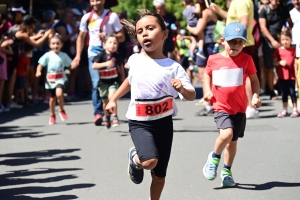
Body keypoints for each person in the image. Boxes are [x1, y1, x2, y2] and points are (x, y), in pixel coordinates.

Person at [105, 9, 196, 200]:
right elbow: (130, 81)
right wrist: (113, 99)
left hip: (164, 124)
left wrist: (181, 89)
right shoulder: (135, 60)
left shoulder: (173, 67)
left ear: (164, 34)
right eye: (140, 31)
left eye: (150, 28)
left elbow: (191, 95)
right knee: (150, 161)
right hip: (139, 122)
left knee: (160, 177)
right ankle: (135, 159)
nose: (144, 33)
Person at [202, 22, 261, 187]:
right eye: (231, 41)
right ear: (222, 41)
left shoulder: (247, 59)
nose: (236, 45)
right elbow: (207, 75)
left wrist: (255, 96)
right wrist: (207, 91)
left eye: (240, 42)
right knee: (226, 134)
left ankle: (227, 170)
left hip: (240, 108)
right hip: (221, 107)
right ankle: (214, 157)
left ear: (244, 43)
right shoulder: (214, 59)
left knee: (233, 142)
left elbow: (254, 80)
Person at [72, 0, 125, 126]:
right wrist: (78, 55)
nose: (95, 2)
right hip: (94, 53)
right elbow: (81, 37)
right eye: (92, 0)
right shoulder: (86, 17)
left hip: (109, 53)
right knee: (96, 83)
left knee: (111, 82)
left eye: (97, 0)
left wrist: (109, 38)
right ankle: (98, 113)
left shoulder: (112, 16)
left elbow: (122, 36)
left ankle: (111, 110)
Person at [211, 0, 259, 119]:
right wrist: (218, 11)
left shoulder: (241, 2)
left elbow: (243, 23)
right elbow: (232, 19)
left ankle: (250, 107)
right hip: (235, 42)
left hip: (240, 44)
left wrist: (233, 39)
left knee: (245, 75)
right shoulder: (237, 2)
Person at [186, 0, 218, 116]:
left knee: (205, 77)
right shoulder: (212, 11)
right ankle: (213, 104)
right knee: (212, 77)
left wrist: (188, 27)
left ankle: (208, 105)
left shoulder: (205, 13)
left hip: (206, 47)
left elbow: (197, 30)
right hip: (212, 46)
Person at [36, 34, 75, 125]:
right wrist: (38, 71)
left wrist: (74, 65)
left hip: (60, 78)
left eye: (58, 44)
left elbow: (70, 65)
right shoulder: (47, 55)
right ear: (50, 45)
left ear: (62, 45)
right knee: (52, 98)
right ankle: (52, 114)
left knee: (59, 93)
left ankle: (61, 109)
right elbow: (40, 64)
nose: (55, 46)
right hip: (50, 80)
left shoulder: (64, 55)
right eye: (53, 44)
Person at [259, 0, 293, 100]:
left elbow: (290, 22)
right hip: (268, 41)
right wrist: (272, 40)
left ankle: (284, 89)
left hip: (282, 40)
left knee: (283, 64)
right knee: (269, 66)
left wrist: (287, 29)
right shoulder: (264, 9)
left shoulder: (283, 9)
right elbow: (263, 27)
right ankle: (272, 91)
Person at [92, 34, 125, 128]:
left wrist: (122, 76)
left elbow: (120, 66)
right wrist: (105, 64)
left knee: (112, 97)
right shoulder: (101, 55)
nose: (113, 45)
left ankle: (115, 116)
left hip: (114, 81)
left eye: (115, 43)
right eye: (110, 42)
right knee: (105, 102)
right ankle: (107, 117)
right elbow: (94, 66)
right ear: (104, 45)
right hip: (103, 83)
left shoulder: (117, 55)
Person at [273, 31, 299, 117]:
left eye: (287, 39)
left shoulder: (294, 50)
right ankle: (285, 109)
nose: (285, 42)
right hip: (282, 76)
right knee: (284, 93)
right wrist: (280, 62)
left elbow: (296, 61)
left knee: (292, 93)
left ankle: (295, 109)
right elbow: (274, 62)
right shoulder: (279, 50)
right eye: (283, 40)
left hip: (291, 76)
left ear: (291, 40)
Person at [0, 38, 13, 113]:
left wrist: (7, 44)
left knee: (1, 88)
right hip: (1, 68)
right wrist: (6, 43)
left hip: (3, 68)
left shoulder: (3, 49)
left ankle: (1, 103)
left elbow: (11, 52)